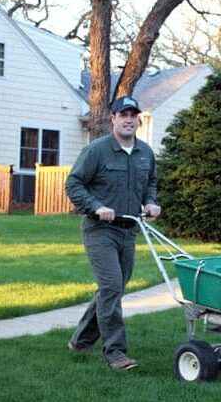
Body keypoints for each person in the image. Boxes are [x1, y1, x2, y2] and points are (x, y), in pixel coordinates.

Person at [65, 96, 161, 370]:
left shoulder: (145, 153)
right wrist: (96, 206)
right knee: (110, 287)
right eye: (123, 114)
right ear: (113, 119)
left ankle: (81, 340)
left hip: (129, 230)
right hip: (100, 230)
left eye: (133, 115)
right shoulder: (97, 151)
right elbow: (73, 184)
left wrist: (151, 202)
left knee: (114, 289)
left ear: (138, 119)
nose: (129, 119)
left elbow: (150, 182)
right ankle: (116, 353)